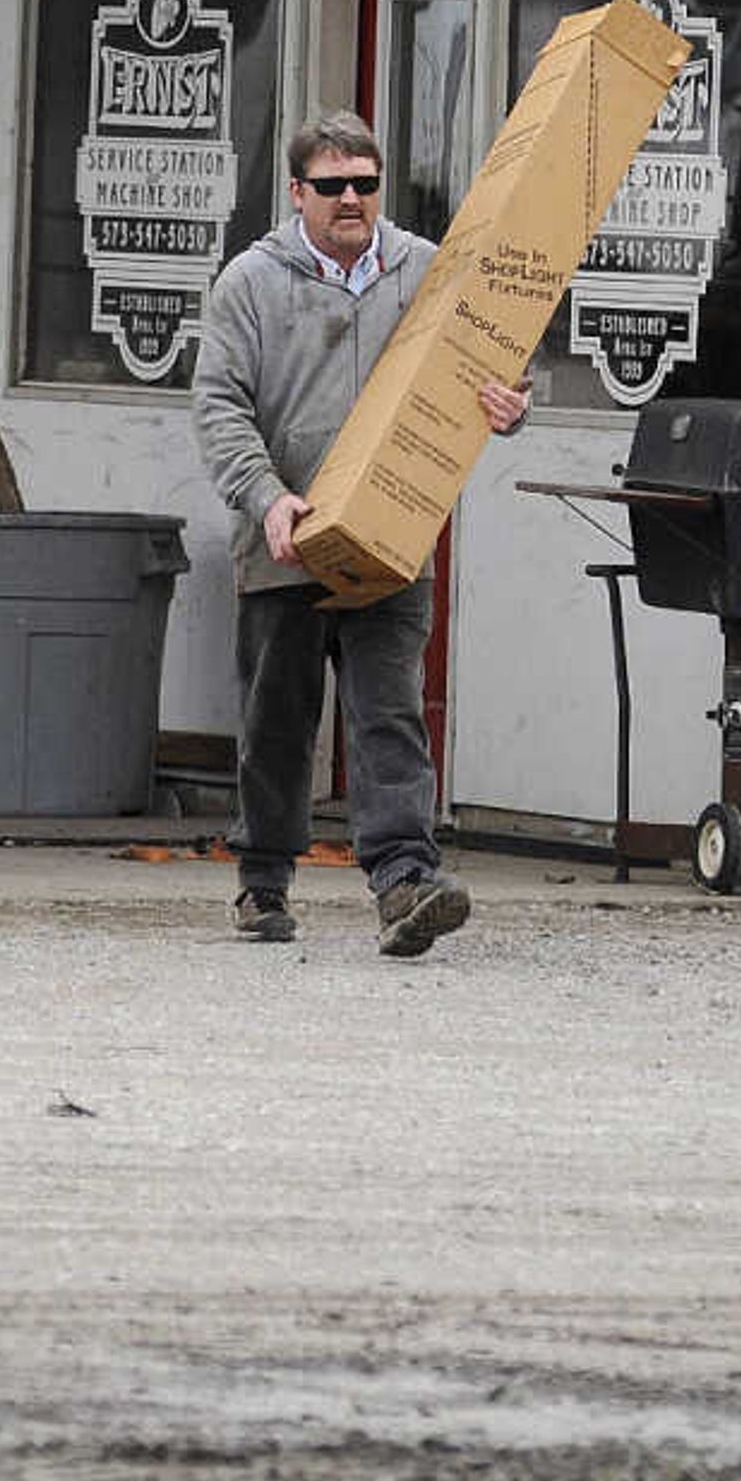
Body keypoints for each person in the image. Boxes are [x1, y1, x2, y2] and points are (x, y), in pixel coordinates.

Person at [192, 112, 526, 958]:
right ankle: (262, 882)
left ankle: (405, 881)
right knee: (278, 718)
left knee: (389, 711)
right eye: (333, 185)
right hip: (287, 540)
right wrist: (266, 498)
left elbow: (489, 369)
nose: (351, 200)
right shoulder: (250, 283)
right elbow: (219, 406)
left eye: (365, 184)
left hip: (391, 536)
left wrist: (510, 405)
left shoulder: (425, 270)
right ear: (298, 192)